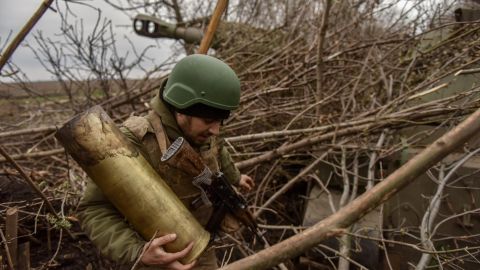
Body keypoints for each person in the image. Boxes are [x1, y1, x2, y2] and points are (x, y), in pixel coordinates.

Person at [77, 54, 254, 270]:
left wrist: (236, 177)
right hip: (154, 260)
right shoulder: (131, 141)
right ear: (181, 108)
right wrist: (137, 251)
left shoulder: (205, 132)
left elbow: (219, 151)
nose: (216, 130)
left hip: (200, 249)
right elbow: (94, 209)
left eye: (220, 121)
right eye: (208, 121)